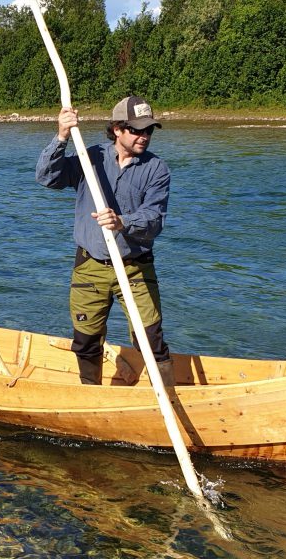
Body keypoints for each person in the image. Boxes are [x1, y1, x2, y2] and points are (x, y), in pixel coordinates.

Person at [36, 95, 173, 386]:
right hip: (90, 266)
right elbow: (47, 178)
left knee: (150, 339)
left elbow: (155, 218)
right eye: (136, 130)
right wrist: (61, 136)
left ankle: (168, 396)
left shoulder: (156, 169)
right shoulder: (91, 158)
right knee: (86, 340)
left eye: (149, 130)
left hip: (135, 267)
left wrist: (123, 222)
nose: (144, 136)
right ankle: (91, 394)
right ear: (117, 129)